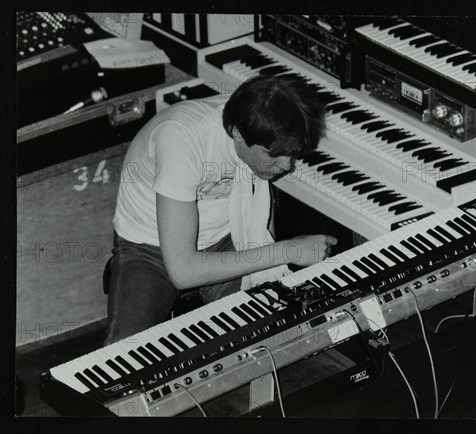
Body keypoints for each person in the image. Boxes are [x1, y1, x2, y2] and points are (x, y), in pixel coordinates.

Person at [104, 74, 337, 345]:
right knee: (124, 356)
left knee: (273, 335)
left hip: (226, 236)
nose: (287, 166)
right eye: (275, 155)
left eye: (293, 154)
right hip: (148, 245)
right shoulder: (180, 138)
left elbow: (258, 215)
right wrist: (288, 250)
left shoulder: (257, 125)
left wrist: (269, 266)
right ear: (237, 134)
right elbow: (184, 271)